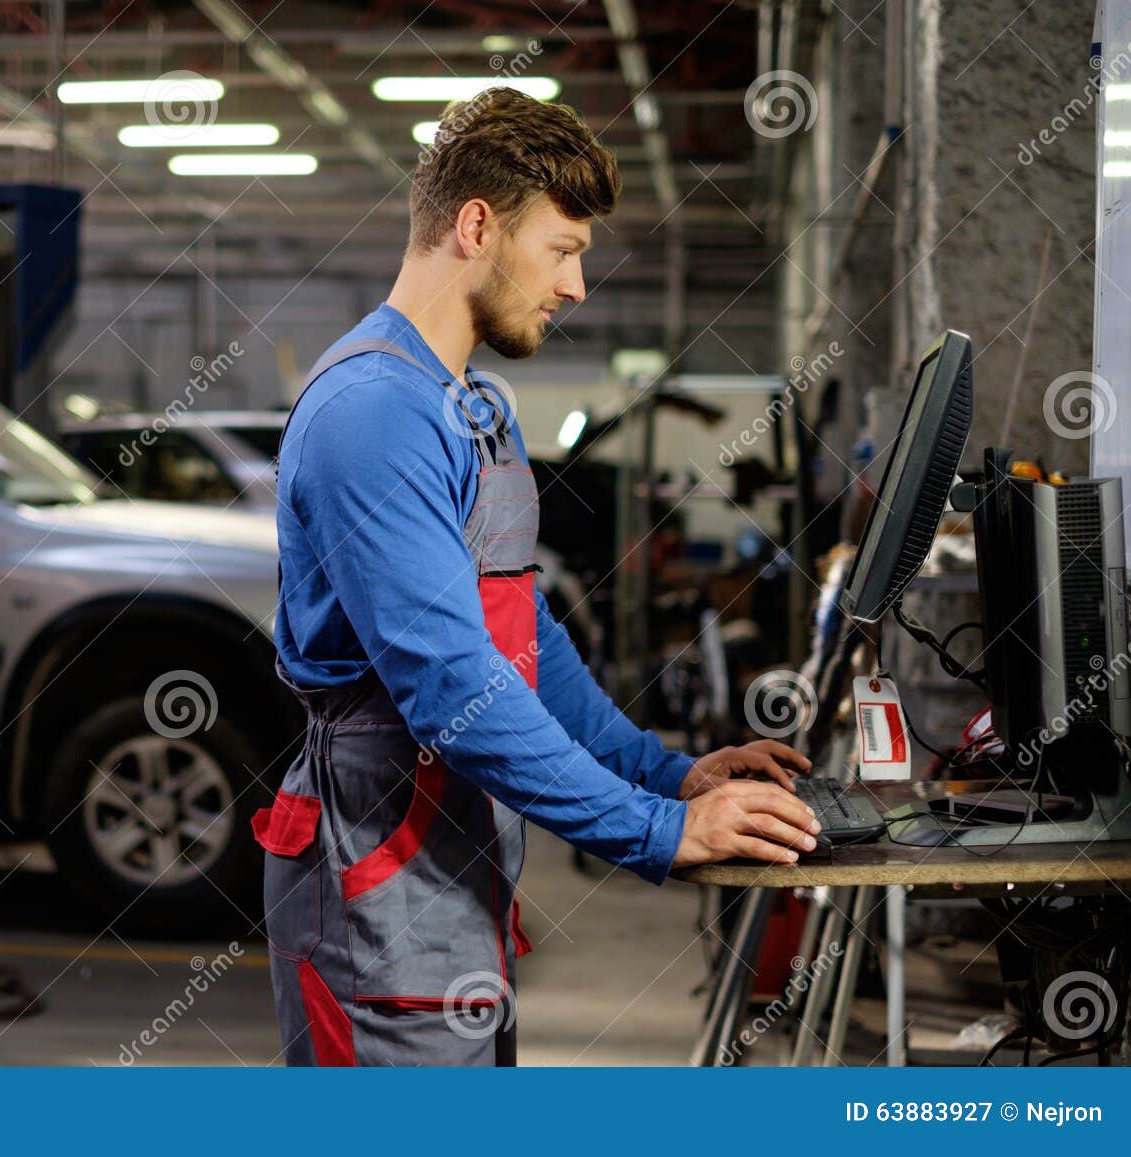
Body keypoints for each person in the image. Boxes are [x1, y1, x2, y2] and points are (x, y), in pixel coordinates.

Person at [252, 88, 818, 1068]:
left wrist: (665, 772)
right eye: (562, 249)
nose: (577, 285)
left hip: (456, 867)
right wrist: (656, 829)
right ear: (477, 226)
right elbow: (450, 686)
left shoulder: (476, 408)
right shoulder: (374, 412)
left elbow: (522, 640)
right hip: (373, 876)